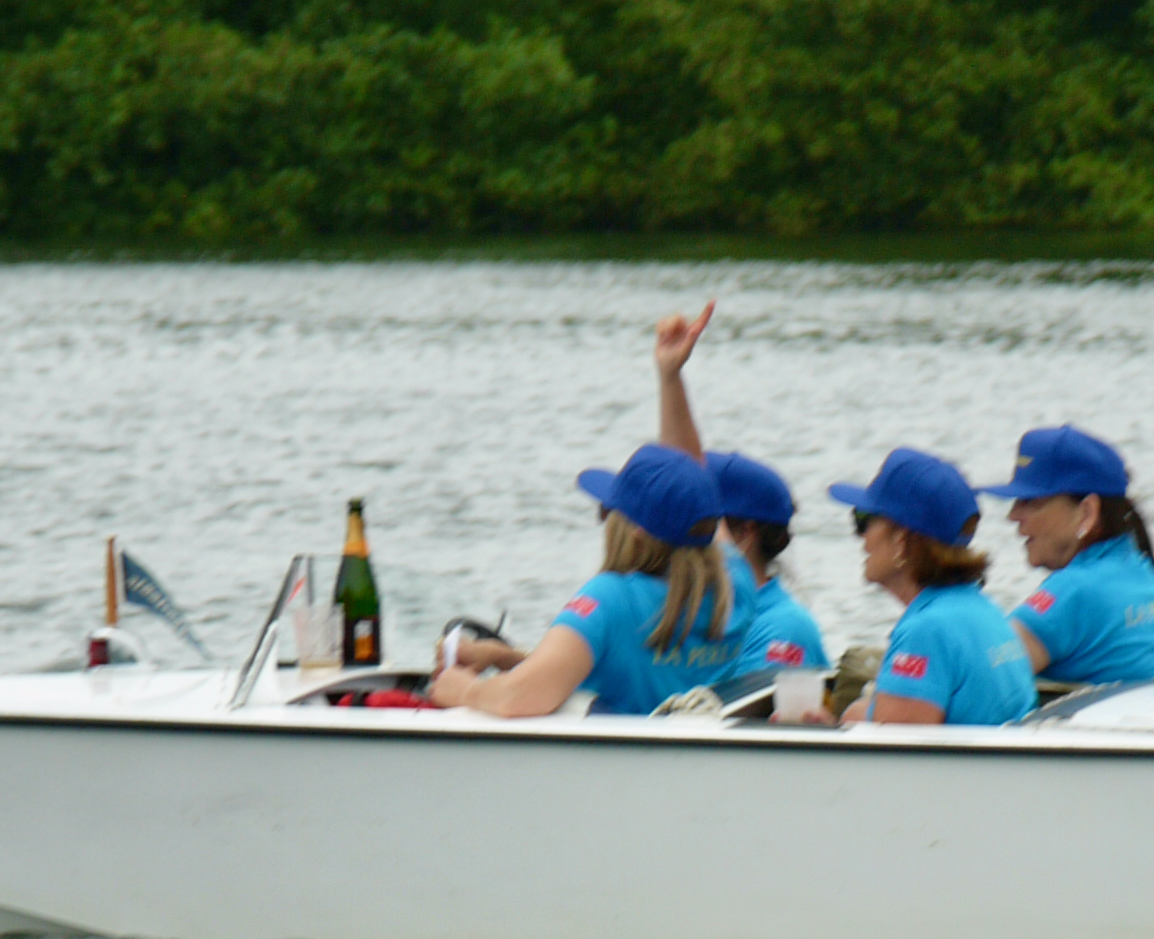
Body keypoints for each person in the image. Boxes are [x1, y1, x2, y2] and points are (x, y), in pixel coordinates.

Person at [427, 443, 745, 716]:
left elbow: (517, 698)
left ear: (636, 533)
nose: (605, 521)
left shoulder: (610, 599)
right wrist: (503, 657)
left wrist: (463, 689)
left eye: (608, 512)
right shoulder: (738, 583)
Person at [639, 299, 828, 675]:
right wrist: (669, 377)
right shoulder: (695, 609)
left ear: (743, 535)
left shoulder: (783, 627)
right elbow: (681, 469)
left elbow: (743, 709)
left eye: (699, 517)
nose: (677, 526)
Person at [824, 447, 1036, 726]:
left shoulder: (926, 632)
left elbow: (891, 746)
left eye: (863, 521)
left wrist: (847, 719)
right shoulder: (984, 610)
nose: (861, 538)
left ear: (901, 541)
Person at [978, 424, 1154, 686]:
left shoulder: (1075, 590)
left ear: (1087, 512)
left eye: (1032, 502)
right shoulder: (1148, 575)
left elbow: (978, 675)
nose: (1013, 516)